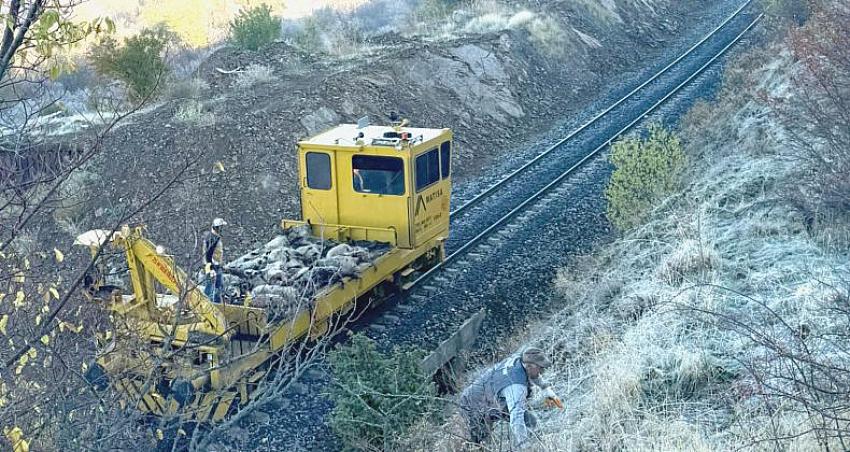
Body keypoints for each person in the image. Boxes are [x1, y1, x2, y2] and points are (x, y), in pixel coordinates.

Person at [459, 347, 563, 449]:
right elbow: (516, 418)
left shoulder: (520, 359)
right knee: (481, 444)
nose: (542, 371)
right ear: (529, 366)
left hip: (492, 395)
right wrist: (524, 446)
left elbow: (534, 374)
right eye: (540, 368)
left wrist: (547, 390)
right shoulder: (516, 386)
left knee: (529, 421)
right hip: (473, 404)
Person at [203, 218, 226, 302]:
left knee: (218, 287)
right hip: (212, 266)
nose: (222, 229)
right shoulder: (212, 238)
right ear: (217, 227)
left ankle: (217, 304)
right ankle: (205, 303)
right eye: (221, 227)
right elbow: (208, 254)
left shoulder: (216, 237)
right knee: (210, 287)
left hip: (217, 265)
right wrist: (211, 268)